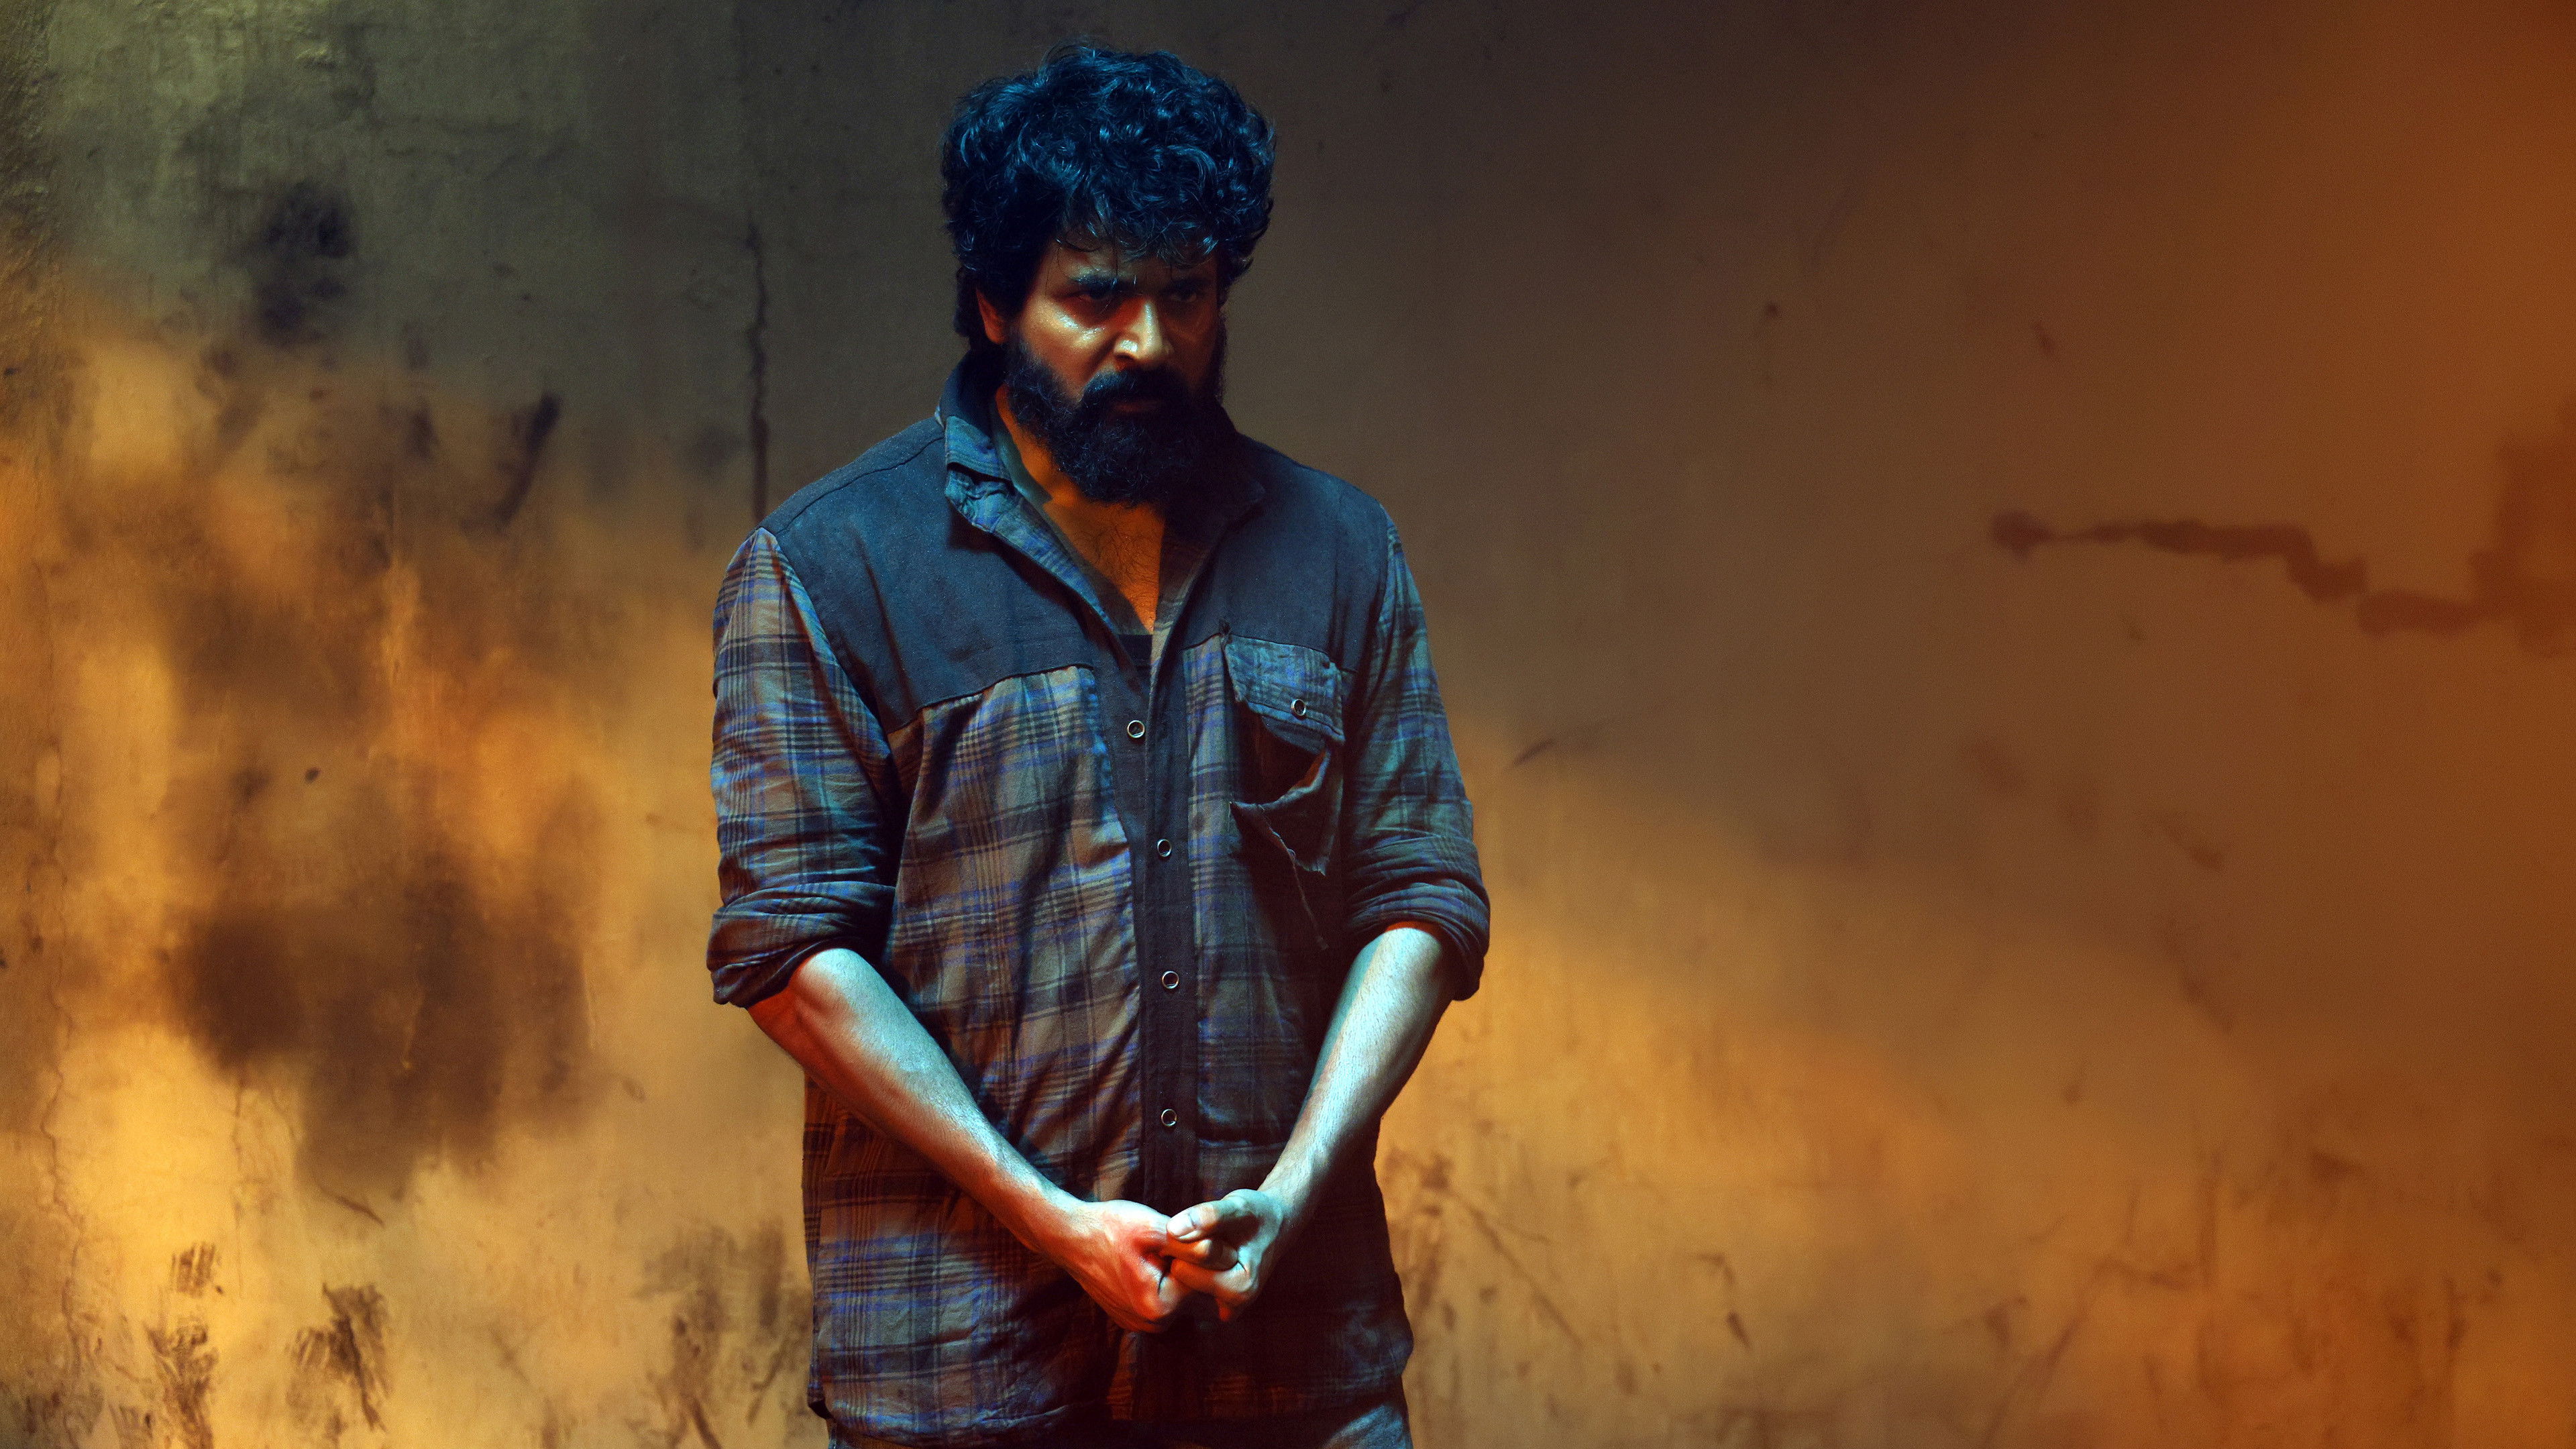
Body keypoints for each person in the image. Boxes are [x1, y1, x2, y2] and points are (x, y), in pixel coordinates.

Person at [705, 44, 1489, 1449]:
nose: (1148, 342)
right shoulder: (832, 568)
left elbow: (1421, 899)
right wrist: (1050, 1218)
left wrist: (1294, 1190)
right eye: (1096, 296)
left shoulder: (1340, 553)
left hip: (1293, 1371)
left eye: (1185, 294)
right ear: (994, 300)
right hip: (969, 1376)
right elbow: (791, 954)